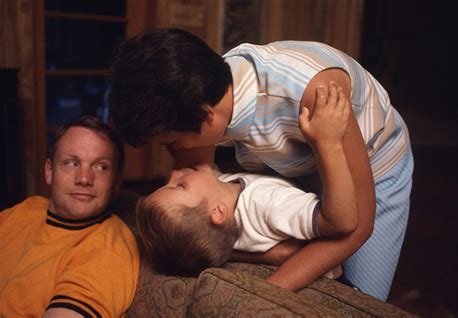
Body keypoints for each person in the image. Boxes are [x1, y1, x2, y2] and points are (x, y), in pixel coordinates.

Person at [109, 28, 414, 300]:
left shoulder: (315, 94)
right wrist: (272, 254)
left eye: (171, 143)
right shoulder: (201, 90)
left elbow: (355, 226)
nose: (177, 165)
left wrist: (263, 294)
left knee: (363, 297)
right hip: (300, 163)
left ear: (206, 116)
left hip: (374, 163)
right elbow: (198, 218)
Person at [137, 84, 357, 287]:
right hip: (340, 279)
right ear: (217, 212)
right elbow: (337, 221)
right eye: (180, 186)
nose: (175, 172)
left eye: (169, 182)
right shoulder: (267, 205)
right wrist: (329, 144)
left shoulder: (216, 214)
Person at [0, 116, 140, 317]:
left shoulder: (108, 247)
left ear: (116, 182)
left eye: (101, 167)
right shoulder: (27, 209)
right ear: (49, 171)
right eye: (72, 163)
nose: (84, 179)